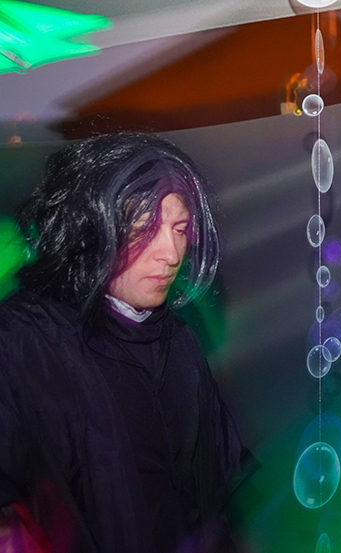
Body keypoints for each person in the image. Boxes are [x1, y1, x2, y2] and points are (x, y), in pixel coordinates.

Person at [0, 133, 258, 553]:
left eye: (179, 229)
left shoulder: (179, 341)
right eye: (144, 229)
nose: (171, 253)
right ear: (90, 226)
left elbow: (211, 504)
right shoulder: (22, 340)